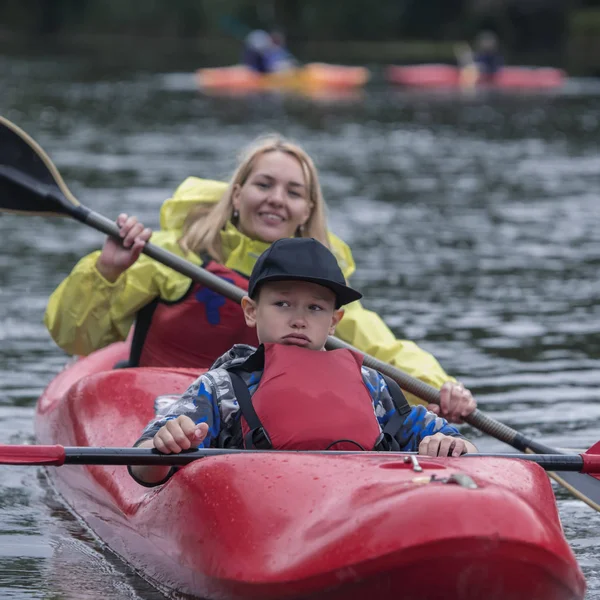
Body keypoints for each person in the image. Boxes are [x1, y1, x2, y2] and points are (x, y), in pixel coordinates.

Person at [44, 134, 475, 422]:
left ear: (307, 209)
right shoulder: (173, 254)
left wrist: (441, 392)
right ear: (237, 194)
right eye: (263, 184)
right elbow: (77, 339)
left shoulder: (317, 284)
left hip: (255, 421)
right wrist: (107, 271)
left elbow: (383, 350)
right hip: (157, 413)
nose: (275, 200)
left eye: (292, 192)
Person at [129, 238, 477, 487]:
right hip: (268, 513)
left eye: (315, 308)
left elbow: (460, 447)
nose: (299, 320)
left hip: (358, 505)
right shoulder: (222, 386)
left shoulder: (372, 385)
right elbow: (141, 463)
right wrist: (166, 445)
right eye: (282, 304)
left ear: (334, 321)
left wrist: (452, 445)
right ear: (251, 311)